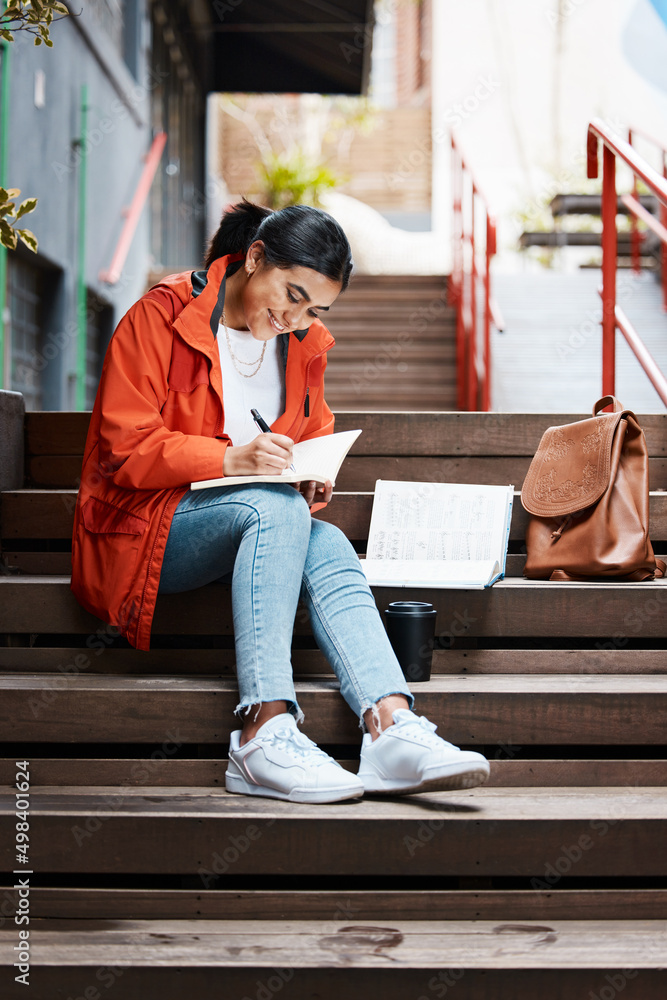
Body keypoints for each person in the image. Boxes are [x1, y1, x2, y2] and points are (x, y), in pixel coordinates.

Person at [70, 198, 490, 804]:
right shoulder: (160, 315)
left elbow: (312, 430)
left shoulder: (303, 346)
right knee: (274, 508)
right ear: (256, 256)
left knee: (326, 537)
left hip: (246, 534)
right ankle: (260, 731)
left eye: (314, 308)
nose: (295, 318)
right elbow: (122, 448)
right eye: (291, 294)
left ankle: (390, 725)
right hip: (140, 537)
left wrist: (310, 472)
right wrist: (230, 460)